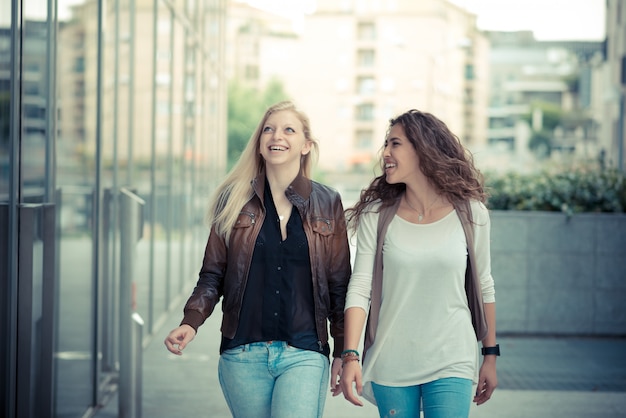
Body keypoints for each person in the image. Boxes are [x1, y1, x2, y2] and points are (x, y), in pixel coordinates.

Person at [164, 100, 351, 418]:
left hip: (304, 351)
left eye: (288, 129)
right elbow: (213, 273)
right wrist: (191, 321)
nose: (276, 135)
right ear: (260, 143)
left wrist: (345, 350)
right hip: (242, 352)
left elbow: (338, 282)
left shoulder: (327, 201)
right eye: (269, 129)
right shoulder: (233, 199)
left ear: (306, 145)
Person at [336, 109, 498, 417]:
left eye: (395, 144)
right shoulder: (377, 215)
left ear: (423, 148)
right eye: (385, 144)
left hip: (453, 355)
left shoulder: (472, 213)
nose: (385, 153)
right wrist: (351, 355)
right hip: (392, 358)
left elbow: (485, 284)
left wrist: (490, 355)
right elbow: (360, 288)